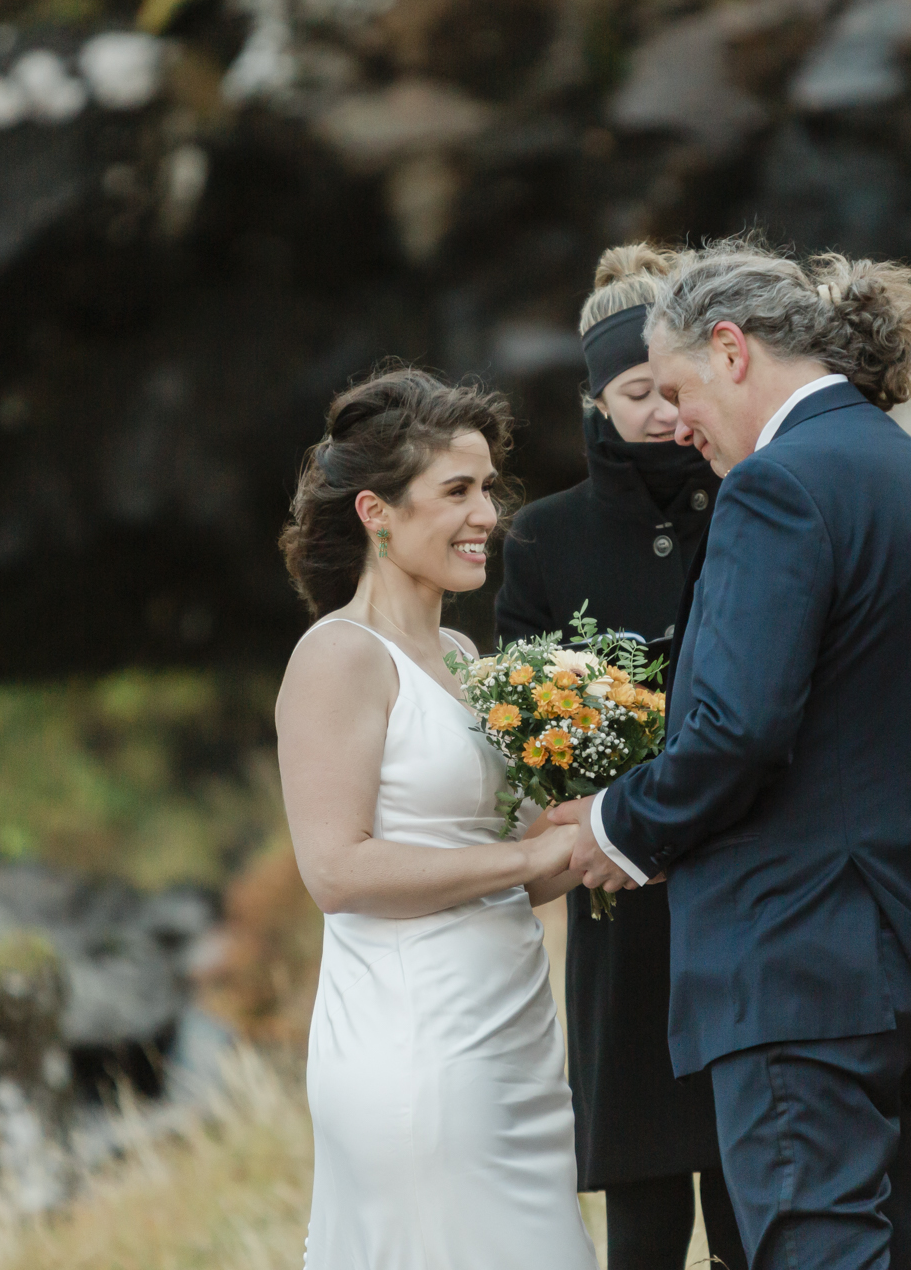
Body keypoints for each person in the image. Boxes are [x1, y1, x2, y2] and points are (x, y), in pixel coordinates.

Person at [553, 237, 911, 1270]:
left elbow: (739, 729)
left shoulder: (777, 489)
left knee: (816, 1248)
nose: (673, 426)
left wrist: (613, 825)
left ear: (731, 351)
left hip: (801, 961)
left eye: (676, 390)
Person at [275, 366, 597, 1270]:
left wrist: (625, 822)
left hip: (511, 1041)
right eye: (456, 490)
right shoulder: (339, 658)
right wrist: (526, 867)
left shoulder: (459, 653)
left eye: (488, 487)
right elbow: (337, 872)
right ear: (376, 513)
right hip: (416, 1047)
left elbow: (518, 858)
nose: (487, 514)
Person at [496, 244, 747, 1270]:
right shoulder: (545, 539)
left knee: (749, 1179)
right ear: (597, 402)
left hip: (741, 884)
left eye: (667, 388)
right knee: (642, 1210)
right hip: (620, 894)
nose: (655, 412)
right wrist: (582, 776)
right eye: (632, 392)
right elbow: (522, 724)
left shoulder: (751, 501)